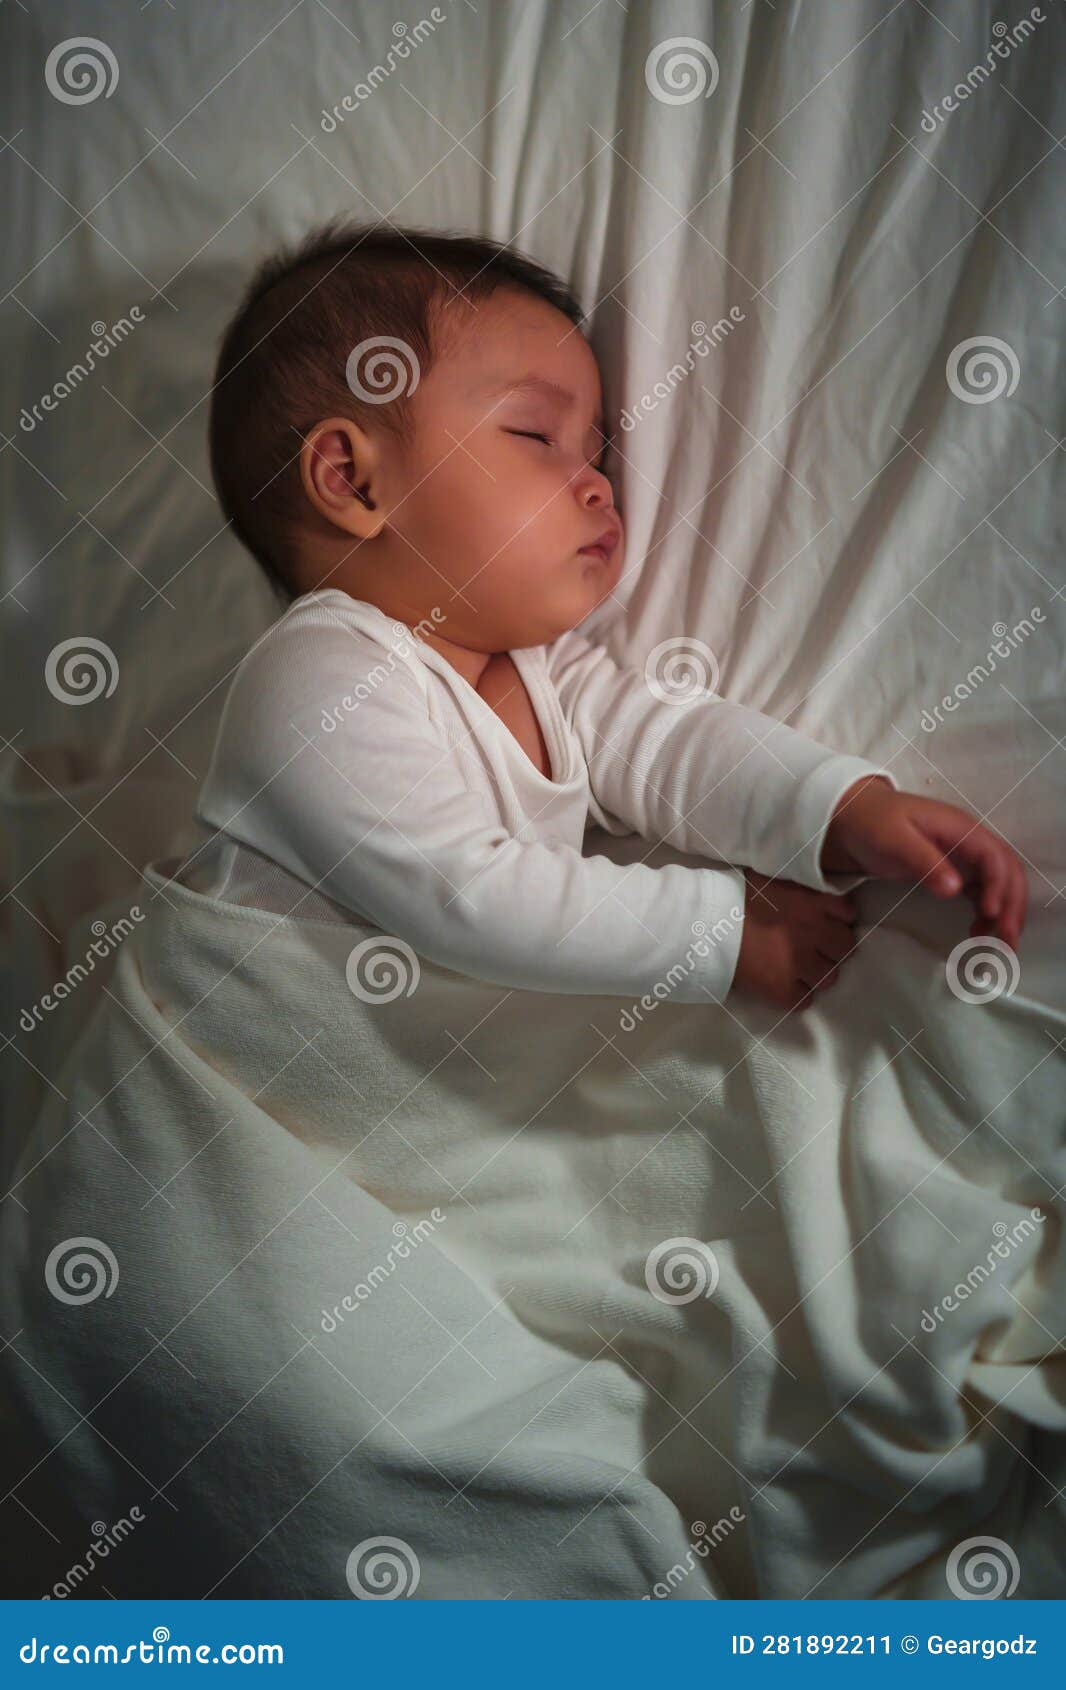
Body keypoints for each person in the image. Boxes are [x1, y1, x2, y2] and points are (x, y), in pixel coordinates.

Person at [195, 220, 1026, 1012]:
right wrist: (721, 933)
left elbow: (676, 750)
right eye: (535, 436)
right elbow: (469, 899)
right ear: (352, 480)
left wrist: (840, 815)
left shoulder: (544, 674)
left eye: (596, 455)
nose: (598, 485)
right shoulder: (315, 678)